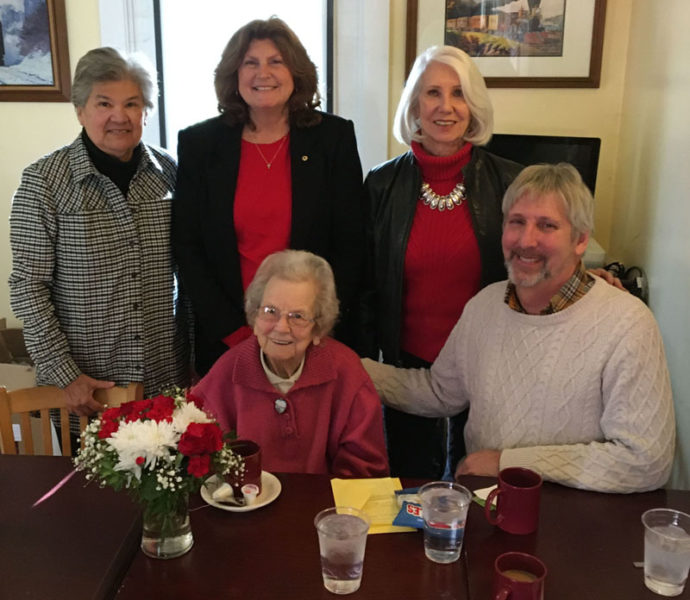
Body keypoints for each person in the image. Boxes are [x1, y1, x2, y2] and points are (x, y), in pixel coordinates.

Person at [364, 163, 675, 493]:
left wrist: (506, 462)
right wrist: (353, 369)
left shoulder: (628, 323)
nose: (526, 240)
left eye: (547, 225)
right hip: (487, 508)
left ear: (581, 239)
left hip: (576, 520)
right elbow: (440, 392)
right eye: (517, 222)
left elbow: (646, 461)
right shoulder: (485, 305)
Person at [362, 45, 523, 478]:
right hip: (406, 369)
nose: (446, 107)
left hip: (487, 367)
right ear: (415, 105)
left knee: (477, 486)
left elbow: (539, 260)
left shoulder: (509, 181)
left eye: (459, 93)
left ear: (474, 105)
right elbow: (366, 285)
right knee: (410, 487)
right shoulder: (381, 184)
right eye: (433, 93)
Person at [173, 17, 366, 377]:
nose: (263, 73)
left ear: (296, 71)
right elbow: (188, 245)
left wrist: (312, 324)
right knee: (232, 433)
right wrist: (234, 331)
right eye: (251, 63)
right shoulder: (200, 144)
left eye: (275, 61)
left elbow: (351, 242)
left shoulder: (332, 139)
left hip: (310, 333)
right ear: (234, 74)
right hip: (227, 335)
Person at [9, 47, 190, 428]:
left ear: (146, 111)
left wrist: (195, 367)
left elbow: (191, 276)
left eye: (132, 103)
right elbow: (28, 287)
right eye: (104, 103)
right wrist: (65, 376)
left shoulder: (171, 175)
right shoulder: (43, 183)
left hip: (164, 388)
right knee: (87, 489)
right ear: (80, 109)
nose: (119, 117)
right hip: (85, 395)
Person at [192, 250, 388, 478]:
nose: (282, 327)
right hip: (246, 506)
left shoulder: (347, 373)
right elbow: (201, 461)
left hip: (324, 508)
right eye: (270, 311)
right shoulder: (226, 373)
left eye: (298, 316)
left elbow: (365, 471)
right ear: (254, 319)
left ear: (318, 328)